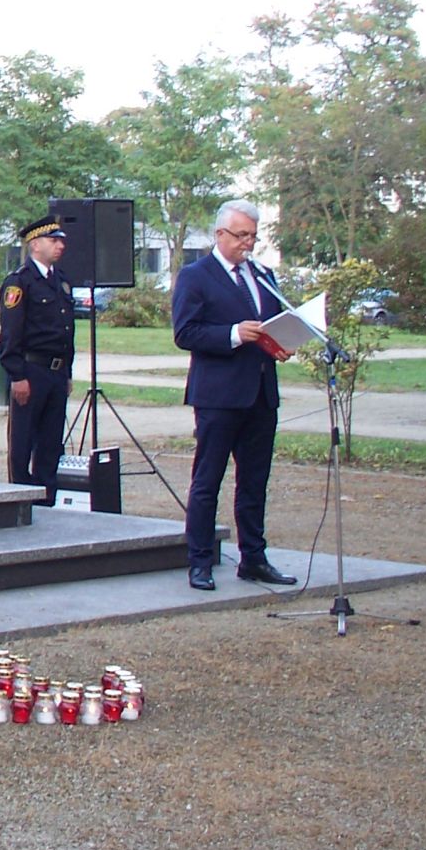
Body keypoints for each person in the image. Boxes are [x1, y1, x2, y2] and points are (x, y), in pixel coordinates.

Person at [172, 199, 298, 592]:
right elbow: (185, 333)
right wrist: (232, 334)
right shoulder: (197, 276)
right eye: (241, 236)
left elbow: (273, 322)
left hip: (260, 392)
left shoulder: (262, 274)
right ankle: (200, 559)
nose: (248, 244)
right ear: (220, 234)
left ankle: (254, 558)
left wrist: (285, 340)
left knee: (254, 480)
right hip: (219, 394)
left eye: (253, 237)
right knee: (208, 479)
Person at [0, 217, 74, 503]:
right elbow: (11, 333)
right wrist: (17, 375)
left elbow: (67, 331)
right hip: (30, 370)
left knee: (51, 442)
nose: (60, 246)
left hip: (55, 372)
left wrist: (66, 372)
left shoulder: (61, 280)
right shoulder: (19, 283)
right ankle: (20, 500)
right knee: (23, 441)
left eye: (61, 240)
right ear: (35, 244)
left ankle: (47, 499)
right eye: (54, 240)